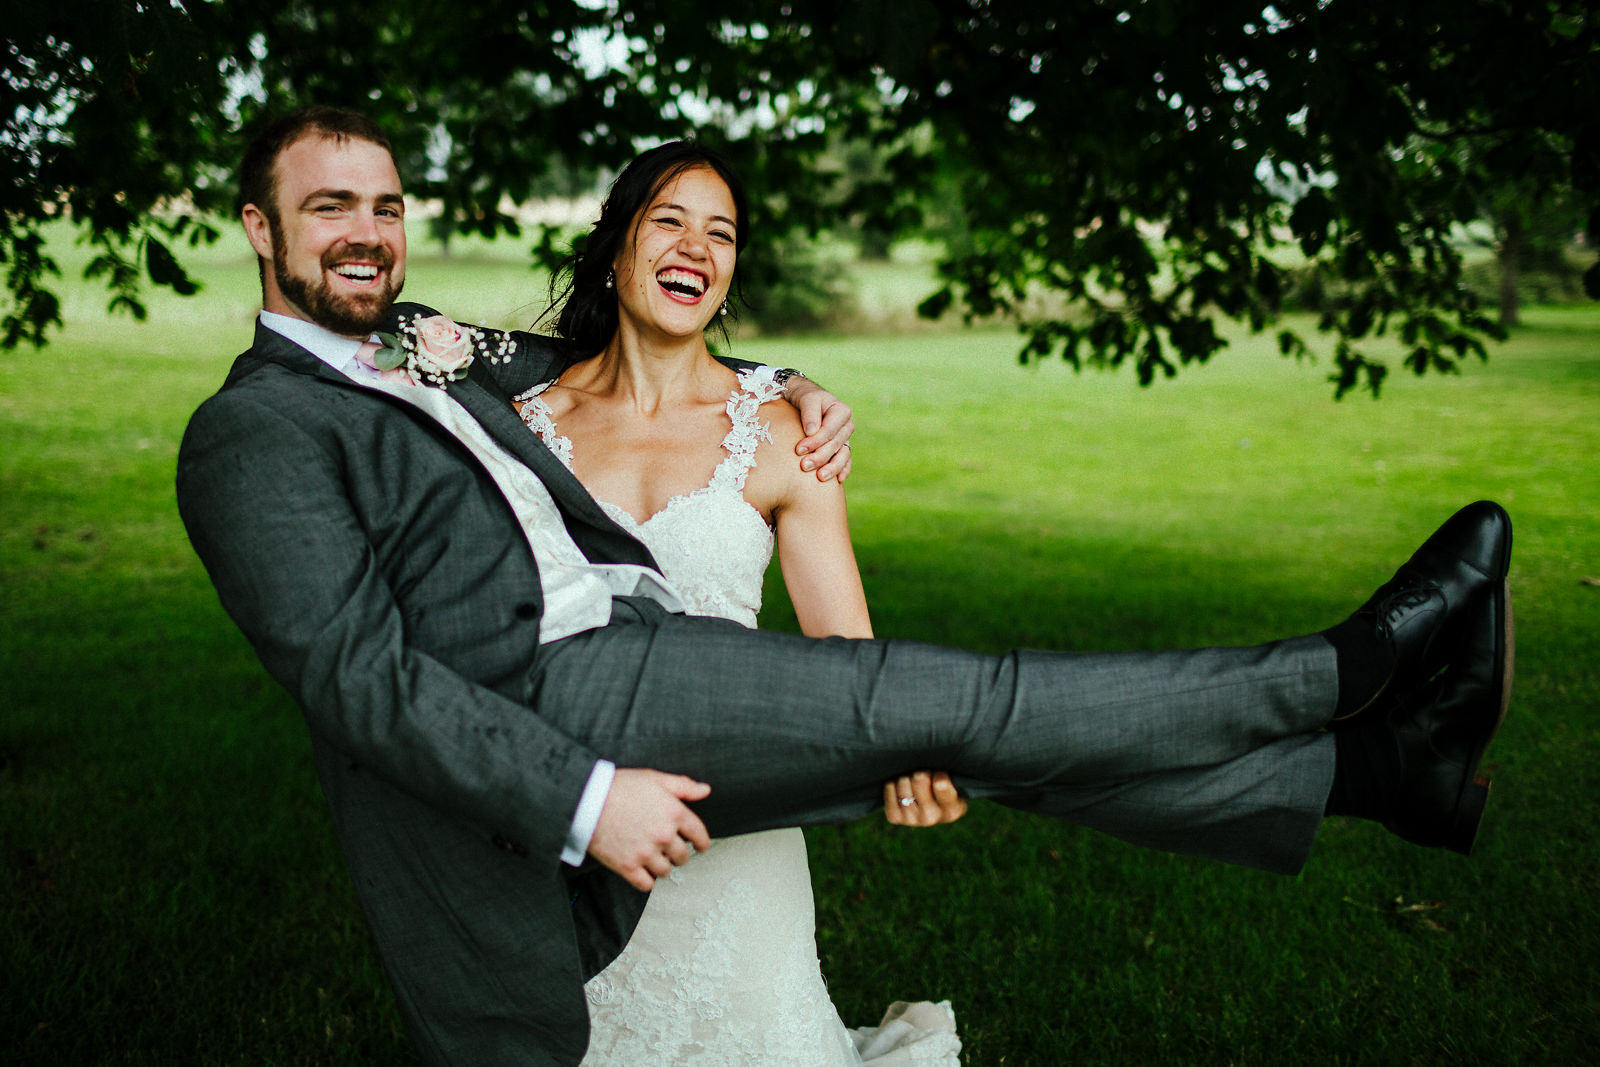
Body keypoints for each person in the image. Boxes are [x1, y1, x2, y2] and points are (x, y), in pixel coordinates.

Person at [175, 106, 1514, 1067]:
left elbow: (590, 346)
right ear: (258, 227)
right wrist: (584, 793)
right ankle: (1351, 670)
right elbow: (357, 677)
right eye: (328, 206)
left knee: (982, 732)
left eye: (387, 205)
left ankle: (1379, 773)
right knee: (977, 699)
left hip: (639, 665)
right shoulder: (255, 427)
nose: (367, 232)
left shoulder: (430, 344)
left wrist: (783, 386)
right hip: (557, 692)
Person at [511, 141, 963, 1064]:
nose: (696, 247)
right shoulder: (519, 426)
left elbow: (851, 660)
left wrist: (914, 757)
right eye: (669, 221)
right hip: (577, 828)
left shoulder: (782, 435)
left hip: (739, 834)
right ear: (615, 244)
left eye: (720, 234)